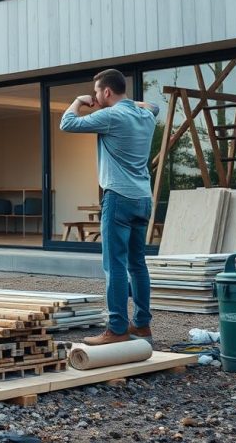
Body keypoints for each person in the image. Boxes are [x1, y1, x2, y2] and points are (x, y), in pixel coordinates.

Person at [59, 69, 160, 346]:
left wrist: (78, 101)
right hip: (143, 199)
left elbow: (67, 123)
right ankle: (141, 325)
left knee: (114, 265)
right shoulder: (145, 116)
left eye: (96, 92)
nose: (94, 96)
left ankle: (116, 328)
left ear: (106, 92)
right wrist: (133, 102)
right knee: (138, 264)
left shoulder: (111, 116)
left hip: (117, 198)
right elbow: (154, 106)